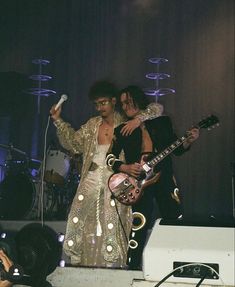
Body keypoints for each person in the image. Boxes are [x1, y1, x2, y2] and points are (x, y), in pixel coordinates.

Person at [50, 80, 163, 268]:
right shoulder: (92, 124)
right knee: (77, 212)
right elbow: (74, 143)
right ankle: (76, 256)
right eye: (96, 104)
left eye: (103, 103)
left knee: (112, 218)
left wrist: (138, 119)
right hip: (93, 174)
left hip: (117, 178)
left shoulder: (125, 122)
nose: (99, 107)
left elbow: (157, 108)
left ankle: (113, 262)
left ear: (113, 101)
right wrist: (58, 120)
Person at [106, 85, 199, 270]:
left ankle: (179, 263)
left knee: (174, 218)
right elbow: (109, 159)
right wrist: (125, 166)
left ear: (138, 99)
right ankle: (132, 267)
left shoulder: (162, 122)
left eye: (127, 102)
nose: (124, 107)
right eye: (122, 104)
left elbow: (177, 149)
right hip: (139, 183)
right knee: (139, 224)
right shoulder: (121, 130)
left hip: (164, 179)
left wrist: (188, 140)